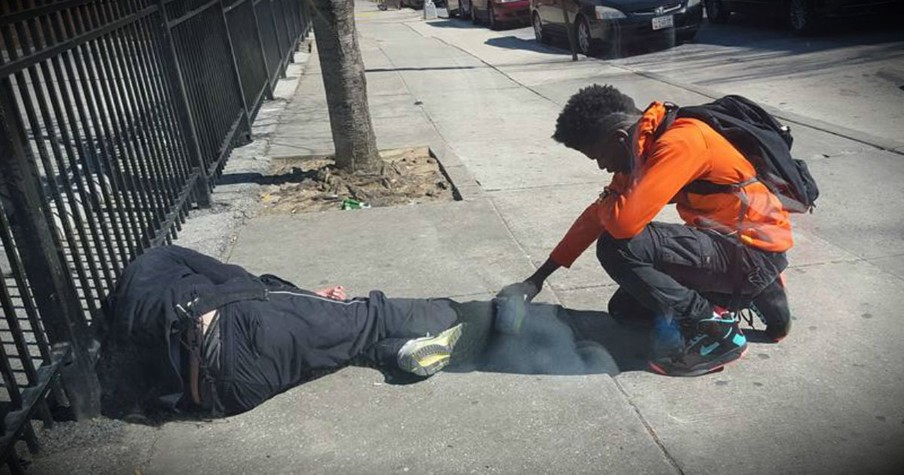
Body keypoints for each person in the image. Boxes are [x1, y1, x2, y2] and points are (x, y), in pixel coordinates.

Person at [501, 84, 793, 377]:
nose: (603, 167)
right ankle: (753, 291)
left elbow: (622, 223)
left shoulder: (681, 142)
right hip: (744, 245)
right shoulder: (645, 144)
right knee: (627, 309)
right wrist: (535, 280)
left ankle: (717, 332)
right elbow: (596, 216)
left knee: (619, 246)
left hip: (751, 252)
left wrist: (609, 202)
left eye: (598, 157)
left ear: (617, 137)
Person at [98, 245, 478, 417]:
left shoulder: (119, 339)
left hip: (224, 398)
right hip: (235, 333)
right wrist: (303, 297)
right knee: (367, 316)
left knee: (333, 350)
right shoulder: (159, 258)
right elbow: (243, 283)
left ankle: (399, 352)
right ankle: (474, 315)